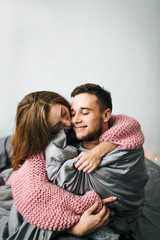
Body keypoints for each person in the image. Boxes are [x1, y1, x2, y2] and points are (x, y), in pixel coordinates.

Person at [2, 89, 144, 239]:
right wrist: (75, 227)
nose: (70, 123)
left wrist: (101, 149)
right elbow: (36, 197)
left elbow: (129, 124)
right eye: (57, 127)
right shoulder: (38, 153)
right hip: (20, 186)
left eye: (65, 112)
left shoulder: (81, 120)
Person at [42, 84, 148, 239]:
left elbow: (130, 126)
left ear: (106, 116)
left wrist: (99, 150)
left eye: (84, 112)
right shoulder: (67, 143)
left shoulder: (127, 150)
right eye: (73, 113)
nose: (76, 119)